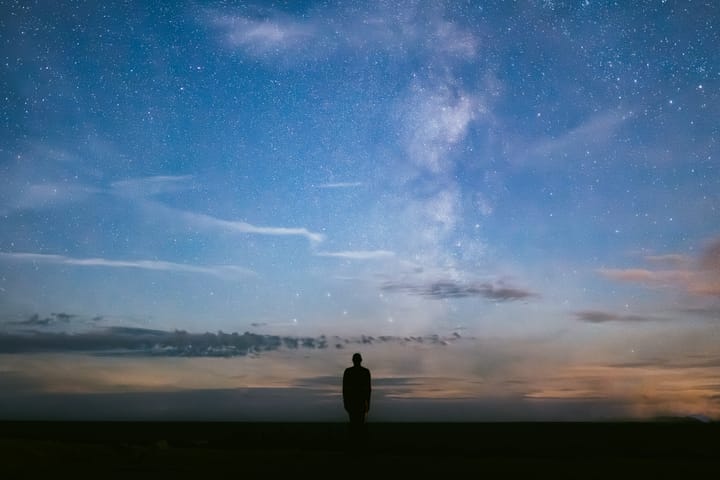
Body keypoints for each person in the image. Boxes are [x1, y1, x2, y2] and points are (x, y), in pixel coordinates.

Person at [342, 352, 371, 443]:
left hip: (354, 402)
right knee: (358, 424)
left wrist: (346, 403)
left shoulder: (349, 372)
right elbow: (368, 389)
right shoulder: (365, 372)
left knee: (354, 423)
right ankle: (358, 443)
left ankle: (355, 442)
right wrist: (368, 403)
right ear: (360, 360)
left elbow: (345, 390)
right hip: (358, 402)